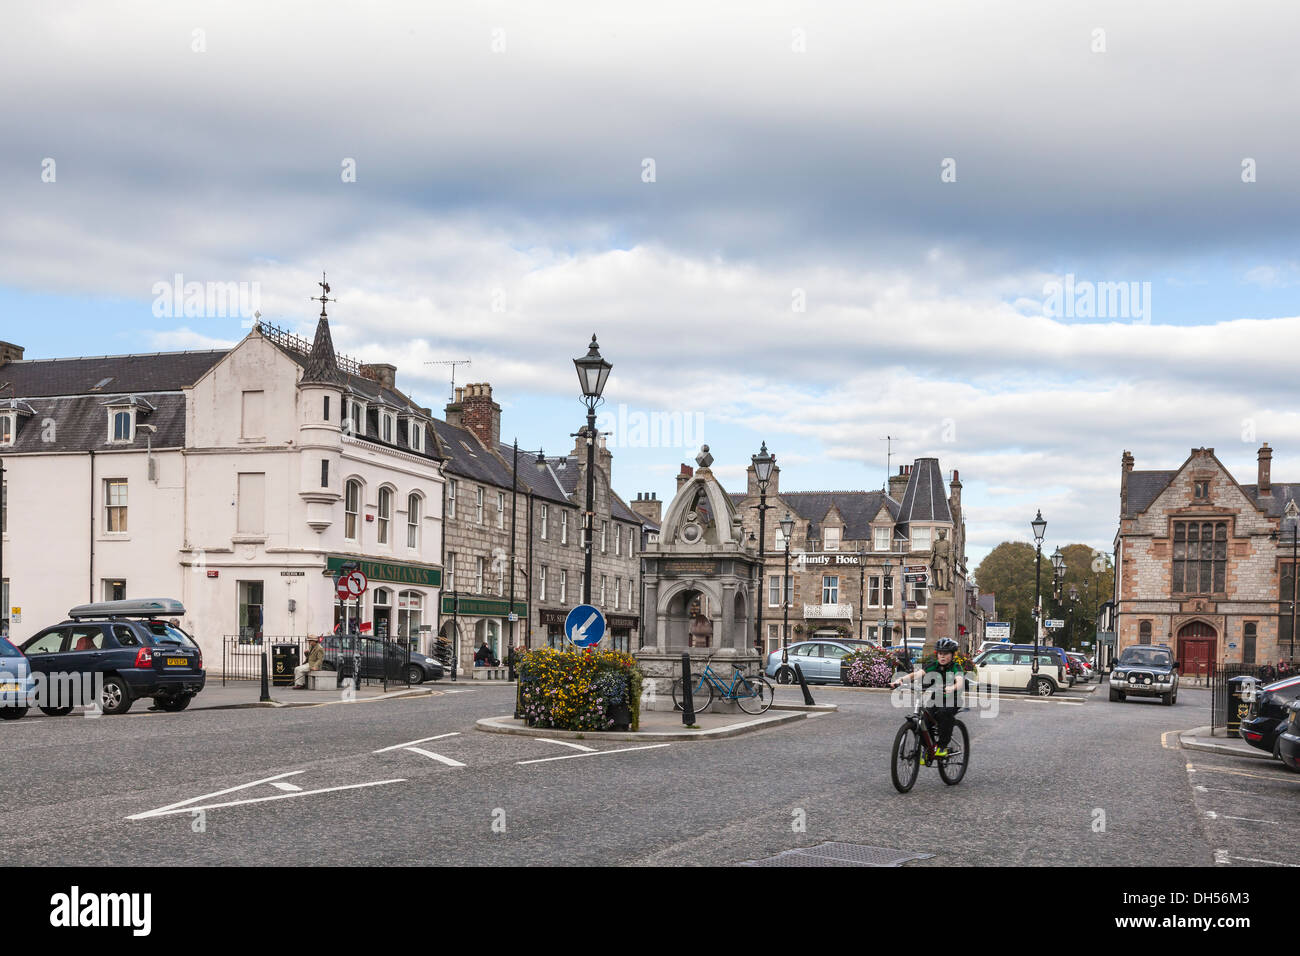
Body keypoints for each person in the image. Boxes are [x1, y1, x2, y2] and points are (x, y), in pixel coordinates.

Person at [890, 638, 964, 761]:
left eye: (946, 654)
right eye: (940, 653)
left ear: (952, 655)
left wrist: (953, 687)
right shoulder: (933, 665)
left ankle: (942, 746)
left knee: (943, 714)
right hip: (936, 698)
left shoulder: (956, 667)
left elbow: (960, 682)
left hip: (952, 699)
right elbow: (917, 674)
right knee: (924, 719)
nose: (942, 656)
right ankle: (929, 747)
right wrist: (901, 680)